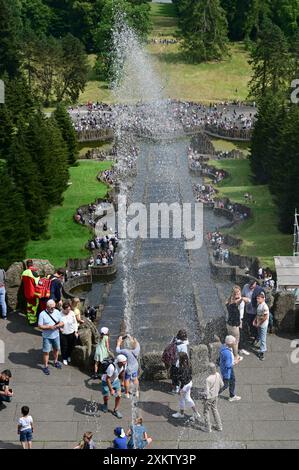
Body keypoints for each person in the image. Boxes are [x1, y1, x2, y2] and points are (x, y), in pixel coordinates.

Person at [172, 353, 201, 422]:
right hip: (189, 383)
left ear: (181, 359)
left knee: (184, 399)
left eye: (179, 358)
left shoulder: (182, 368)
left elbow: (183, 381)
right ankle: (195, 413)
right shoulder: (188, 364)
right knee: (186, 398)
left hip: (185, 385)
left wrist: (180, 389)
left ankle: (192, 413)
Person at [38, 299, 64, 375]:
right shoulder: (42, 314)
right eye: (51, 308)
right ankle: (46, 366)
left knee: (56, 349)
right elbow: (40, 326)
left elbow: (61, 322)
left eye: (54, 307)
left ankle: (55, 361)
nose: (53, 309)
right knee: (46, 352)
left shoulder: (57, 312)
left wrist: (58, 326)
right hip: (47, 337)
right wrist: (49, 327)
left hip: (56, 335)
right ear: (47, 307)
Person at [101, 354, 127, 419]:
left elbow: (123, 372)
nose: (125, 363)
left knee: (119, 395)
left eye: (125, 361)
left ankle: (116, 410)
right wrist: (111, 390)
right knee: (106, 396)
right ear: (119, 362)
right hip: (106, 381)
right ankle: (105, 404)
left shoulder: (123, 365)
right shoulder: (111, 367)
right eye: (124, 362)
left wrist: (122, 382)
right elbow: (107, 379)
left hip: (115, 380)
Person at [202, 363, 223, 433]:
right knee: (215, 409)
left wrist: (202, 394)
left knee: (206, 412)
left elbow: (206, 392)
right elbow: (222, 385)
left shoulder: (208, 379)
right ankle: (219, 426)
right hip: (216, 396)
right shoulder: (218, 374)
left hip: (209, 398)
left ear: (209, 370)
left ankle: (208, 428)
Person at [219, 336, 241, 402]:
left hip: (226, 369)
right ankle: (212, 394)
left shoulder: (224, 346)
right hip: (227, 371)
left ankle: (232, 395)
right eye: (234, 342)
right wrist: (236, 362)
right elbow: (228, 365)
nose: (235, 343)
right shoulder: (227, 353)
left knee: (232, 380)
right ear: (230, 343)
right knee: (225, 385)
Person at [21, 260, 41, 325]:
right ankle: (32, 321)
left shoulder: (24, 272)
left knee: (29, 306)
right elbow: (37, 283)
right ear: (32, 264)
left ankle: (29, 318)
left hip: (26, 293)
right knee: (34, 307)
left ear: (27, 265)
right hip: (33, 294)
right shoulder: (33, 273)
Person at [169, 329, 189, 394]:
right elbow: (185, 355)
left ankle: (175, 388)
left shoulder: (174, 340)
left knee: (174, 376)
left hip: (173, 361)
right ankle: (180, 388)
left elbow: (169, 345)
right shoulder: (184, 345)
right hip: (180, 363)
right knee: (181, 375)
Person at [60, 301, 79, 366]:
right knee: (64, 346)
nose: (69, 311)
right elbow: (57, 324)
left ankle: (68, 356)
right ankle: (64, 358)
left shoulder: (72, 313)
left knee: (71, 346)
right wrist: (60, 329)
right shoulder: (60, 314)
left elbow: (75, 322)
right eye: (67, 310)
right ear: (63, 309)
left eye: (69, 309)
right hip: (64, 334)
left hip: (71, 332)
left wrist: (76, 331)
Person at [254, 292, 269, 361]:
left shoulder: (264, 306)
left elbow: (265, 317)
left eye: (259, 298)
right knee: (259, 335)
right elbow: (258, 314)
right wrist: (255, 320)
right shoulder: (259, 304)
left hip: (263, 325)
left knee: (263, 338)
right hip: (259, 323)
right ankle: (259, 344)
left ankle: (262, 352)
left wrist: (259, 323)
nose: (257, 300)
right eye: (257, 298)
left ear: (263, 299)